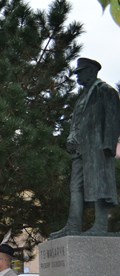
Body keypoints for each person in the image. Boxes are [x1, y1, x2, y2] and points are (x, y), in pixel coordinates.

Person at [52, 57, 120, 237]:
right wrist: (71, 138)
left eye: (79, 73)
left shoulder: (105, 90)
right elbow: (77, 122)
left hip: (98, 148)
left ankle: (100, 225)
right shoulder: (82, 96)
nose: (77, 77)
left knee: (100, 186)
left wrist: (108, 146)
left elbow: (113, 119)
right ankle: (73, 225)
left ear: (90, 71)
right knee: (75, 187)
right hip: (80, 150)